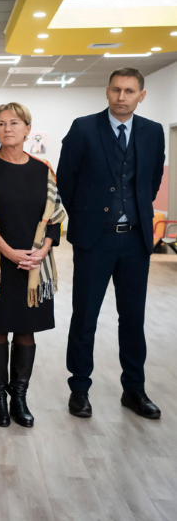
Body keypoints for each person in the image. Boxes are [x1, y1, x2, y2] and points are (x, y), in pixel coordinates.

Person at [58, 67, 165, 420]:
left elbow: (152, 180)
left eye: (129, 91)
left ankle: (134, 389)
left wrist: (133, 210)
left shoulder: (153, 131)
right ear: (107, 91)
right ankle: (79, 389)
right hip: (95, 239)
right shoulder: (84, 128)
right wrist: (87, 217)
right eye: (116, 90)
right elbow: (66, 180)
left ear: (141, 96)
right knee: (85, 316)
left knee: (133, 318)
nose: (122, 97)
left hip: (135, 240)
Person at [0, 103, 65, 428]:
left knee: (26, 330)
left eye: (14, 123)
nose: (7, 128)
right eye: (0, 123)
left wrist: (42, 251)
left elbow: (55, 217)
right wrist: (9, 252)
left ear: (27, 129)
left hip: (33, 266)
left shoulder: (43, 169)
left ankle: (19, 398)